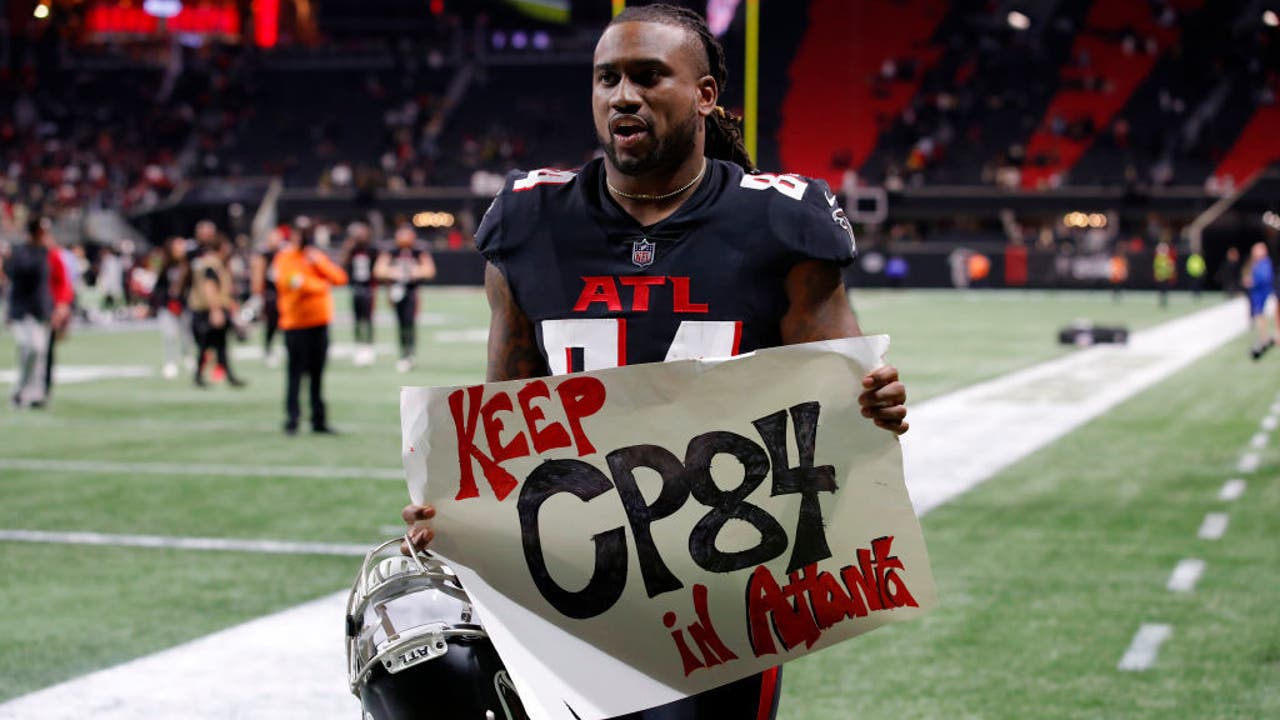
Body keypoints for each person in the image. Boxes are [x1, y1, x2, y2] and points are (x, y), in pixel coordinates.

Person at [398, 6, 908, 720]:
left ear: (705, 95)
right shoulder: (529, 220)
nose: (622, 95)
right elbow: (506, 414)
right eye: (607, 78)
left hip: (721, 572)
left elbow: (836, 406)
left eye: (647, 76)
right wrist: (460, 506)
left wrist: (870, 408)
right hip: (577, 563)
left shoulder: (777, 221)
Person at [272, 219, 348, 435]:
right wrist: (320, 285)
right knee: (295, 374)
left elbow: (340, 278)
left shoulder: (316, 257)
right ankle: (292, 419)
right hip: (295, 325)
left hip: (319, 324)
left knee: (317, 374)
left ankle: (318, 420)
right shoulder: (285, 257)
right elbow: (293, 282)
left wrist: (317, 264)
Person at [5, 217, 69, 408]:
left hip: (41, 309)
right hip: (22, 310)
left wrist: (61, 305)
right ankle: (21, 390)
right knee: (29, 349)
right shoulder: (21, 253)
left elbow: (61, 280)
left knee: (40, 352)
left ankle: (37, 394)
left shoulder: (50, 254)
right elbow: (17, 272)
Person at [375, 226, 436, 372]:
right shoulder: (391, 251)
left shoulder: (418, 251)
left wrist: (416, 272)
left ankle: (410, 353)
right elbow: (379, 270)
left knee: (410, 323)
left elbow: (429, 271)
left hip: (411, 292)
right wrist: (393, 273)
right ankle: (404, 353)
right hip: (395, 291)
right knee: (400, 323)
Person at [188, 236, 245, 387]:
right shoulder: (212, 264)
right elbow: (210, 288)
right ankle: (199, 376)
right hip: (208, 309)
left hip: (208, 308)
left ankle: (228, 376)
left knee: (219, 345)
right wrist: (216, 310)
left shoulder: (207, 262)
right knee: (209, 345)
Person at [152, 236, 192, 379]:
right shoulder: (165, 265)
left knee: (186, 333)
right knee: (169, 335)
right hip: (167, 306)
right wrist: (165, 300)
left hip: (184, 305)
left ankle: (188, 356)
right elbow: (158, 287)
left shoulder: (188, 265)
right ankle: (170, 362)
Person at [340, 221, 379, 366]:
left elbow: (379, 268)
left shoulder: (372, 249)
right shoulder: (352, 250)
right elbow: (342, 264)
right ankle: (358, 345)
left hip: (369, 288)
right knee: (356, 318)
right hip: (355, 287)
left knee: (368, 319)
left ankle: (369, 346)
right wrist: (348, 247)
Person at [250, 226, 286, 368]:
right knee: (271, 322)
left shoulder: (285, 252)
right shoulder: (264, 253)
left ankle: (284, 348)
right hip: (270, 293)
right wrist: (257, 293)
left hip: (284, 293)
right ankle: (268, 349)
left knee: (286, 322)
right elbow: (258, 273)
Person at [1245, 241, 1274, 360]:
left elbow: (1265, 278)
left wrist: (1253, 282)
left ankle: (1264, 339)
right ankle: (1263, 338)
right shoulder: (1257, 263)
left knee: (1261, 318)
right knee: (1259, 318)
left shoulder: (1264, 263)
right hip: (1258, 295)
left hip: (1262, 295)